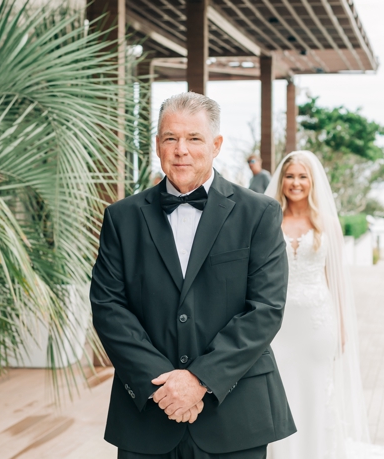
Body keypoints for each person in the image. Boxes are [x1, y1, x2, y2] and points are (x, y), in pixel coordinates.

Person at [90, 92, 296, 458]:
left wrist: (200, 380)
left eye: (194, 138)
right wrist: (164, 386)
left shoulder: (259, 214)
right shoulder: (121, 218)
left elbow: (265, 309)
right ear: (157, 145)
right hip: (147, 417)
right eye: (171, 138)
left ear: (216, 145)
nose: (181, 149)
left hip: (235, 415)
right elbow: (108, 307)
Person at [265, 151, 384, 459]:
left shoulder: (327, 224)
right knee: (281, 393)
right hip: (278, 326)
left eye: (302, 177)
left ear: (312, 181)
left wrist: (342, 326)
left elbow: (337, 281)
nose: (295, 183)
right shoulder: (269, 220)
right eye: (290, 176)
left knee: (315, 391)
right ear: (282, 181)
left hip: (317, 325)